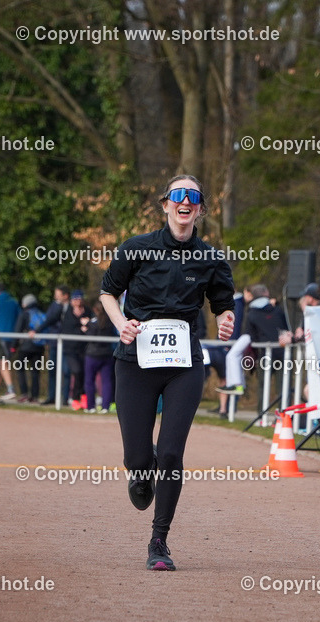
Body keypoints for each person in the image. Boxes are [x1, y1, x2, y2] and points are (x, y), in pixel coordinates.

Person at [100, 174, 235, 571]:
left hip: (184, 365)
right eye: (178, 195)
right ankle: (141, 469)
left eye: (193, 197)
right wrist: (120, 322)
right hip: (135, 362)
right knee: (139, 458)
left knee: (172, 453)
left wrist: (226, 320)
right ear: (165, 204)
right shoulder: (136, 249)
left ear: (201, 210)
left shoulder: (211, 258)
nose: (185, 201)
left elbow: (223, 304)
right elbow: (108, 292)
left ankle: (159, 541)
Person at [219, 284, 288, 397]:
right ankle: (285, 412)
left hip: (265, 354)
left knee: (262, 387)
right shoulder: (277, 309)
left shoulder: (252, 313)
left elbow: (250, 334)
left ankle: (239, 386)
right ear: (266, 293)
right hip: (283, 352)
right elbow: (285, 328)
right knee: (283, 387)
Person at [31, 286, 70, 405]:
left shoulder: (70, 306)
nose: (55, 296)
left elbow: (52, 319)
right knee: (52, 370)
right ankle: (51, 396)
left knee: (66, 371)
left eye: (58, 294)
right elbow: (49, 319)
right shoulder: (55, 306)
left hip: (67, 343)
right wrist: (37, 331)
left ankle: (65, 398)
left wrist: (37, 330)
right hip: (54, 342)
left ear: (65, 295)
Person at [82, 300, 117, 413]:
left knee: (89, 381)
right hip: (107, 354)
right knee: (107, 381)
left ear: (95, 310)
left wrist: (85, 327)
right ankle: (105, 407)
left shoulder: (93, 322)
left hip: (92, 355)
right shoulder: (110, 322)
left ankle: (90, 406)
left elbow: (90, 336)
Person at [14, 294, 47, 403]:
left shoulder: (25, 314)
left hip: (26, 347)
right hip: (39, 347)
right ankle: (35, 396)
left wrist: (13, 346)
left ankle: (24, 393)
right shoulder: (41, 313)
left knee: (19, 368)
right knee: (35, 371)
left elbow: (18, 330)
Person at [0, 283, 19, 400]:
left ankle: (10, 389)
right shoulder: (14, 302)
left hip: (0, 337)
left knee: (2, 363)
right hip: (12, 337)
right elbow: (20, 317)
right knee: (1, 363)